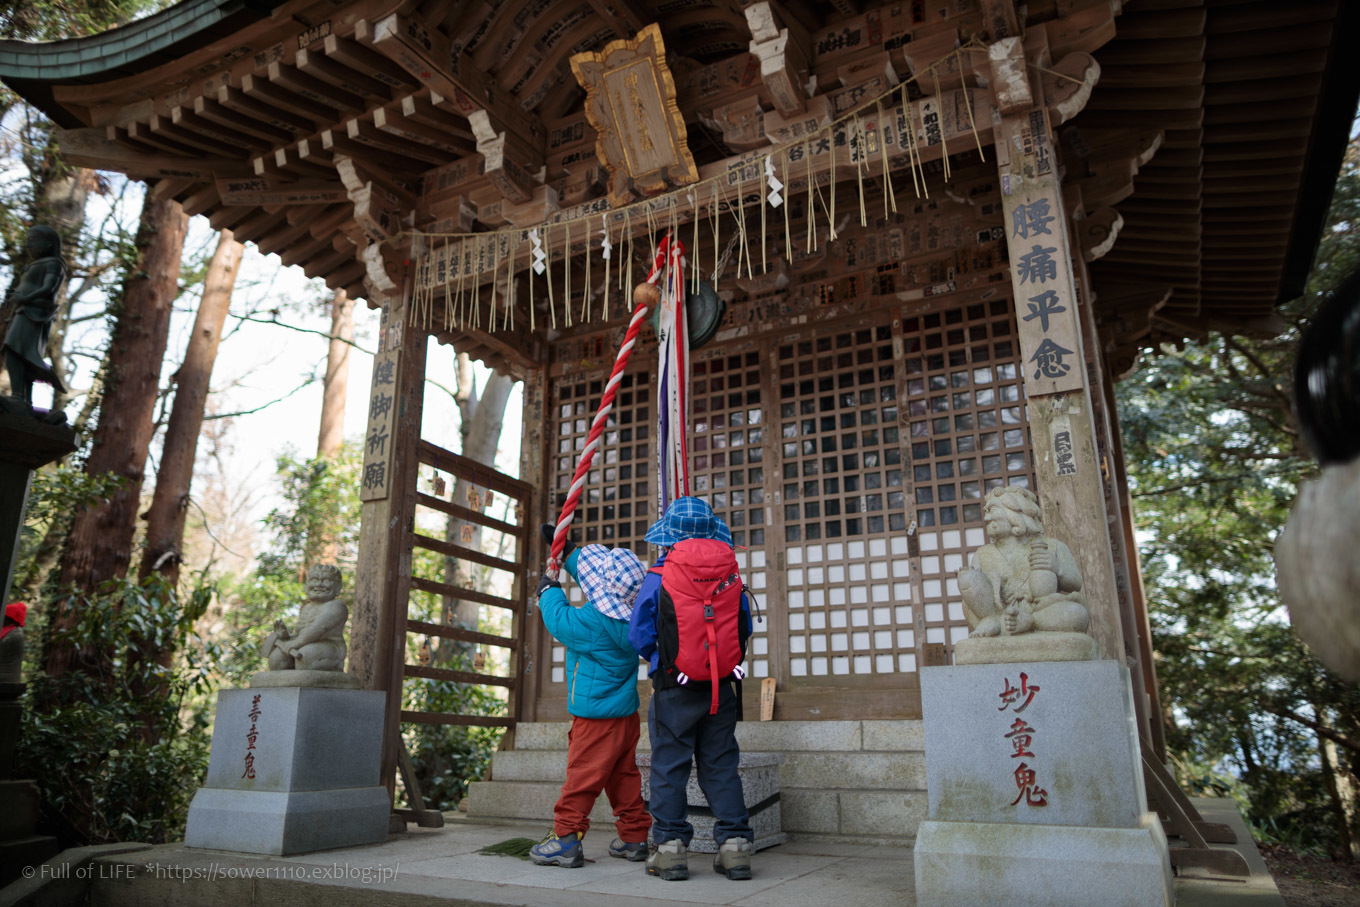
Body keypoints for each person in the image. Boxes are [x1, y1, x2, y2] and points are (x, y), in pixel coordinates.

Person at [629, 496, 754, 882]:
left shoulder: (659, 575)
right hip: (722, 685)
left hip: (673, 687)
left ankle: (670, 851)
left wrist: (666, 662)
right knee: (720, 766)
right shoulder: (730, 571)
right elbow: (743, 627)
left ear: (669, 536)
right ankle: (734, 849)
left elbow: (639, 634)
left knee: (669, 766)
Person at [530, 533, 651, 868]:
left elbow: (558, 620)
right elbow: (596, 575)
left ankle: (566, 838)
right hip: (625, 716)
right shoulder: (633, 621)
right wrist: (568, 553)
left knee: (582, 775)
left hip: (596, 718)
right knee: (623, 776)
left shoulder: (593, 623)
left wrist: (548, 590)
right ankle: (635, 837)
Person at [958, 485, 1089, 637]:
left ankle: (1030, 622)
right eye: (986, 512)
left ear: (1015, 512)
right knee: (968, 578)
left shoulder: (1053, 546)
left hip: (1042, 610)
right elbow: (977, 594)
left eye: (992, 510)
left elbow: (1076, 584)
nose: (986, 518)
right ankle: (992, 621)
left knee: (1078, 614)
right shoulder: (983, 553)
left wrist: (1057, 568)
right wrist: (969, 576)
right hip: (998, 613)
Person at [2, 226, 68, 410]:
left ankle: (19, 396)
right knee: (16, 350)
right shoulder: (31, 266)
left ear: (49, 243)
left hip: (35, 314)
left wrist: (25, 298)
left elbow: (49, 287)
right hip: (22, 311)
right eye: (27, 241)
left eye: (33, 240)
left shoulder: (54, 264)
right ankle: (23, 399)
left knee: (16, 349)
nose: (28, 245)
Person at [260, 564, 349, 671]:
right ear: (307, 586)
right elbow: (300, 632)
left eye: (326, 580)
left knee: (305, 657)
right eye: (314, 580)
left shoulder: (336, 606)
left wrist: (295, 643)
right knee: (276, 660)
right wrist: (286, 637)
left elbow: (318, 628)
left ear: (337, 587)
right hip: (303, 643)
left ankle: (332, 670)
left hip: (330, 646)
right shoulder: (307, 607)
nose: (319, 584)